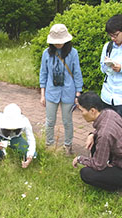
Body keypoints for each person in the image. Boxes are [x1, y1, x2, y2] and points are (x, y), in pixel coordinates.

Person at [72, 91, 122, 196]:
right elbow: (105, 132)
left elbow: (98, 165)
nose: (81, 114)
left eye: (82, 111)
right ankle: (111, 168)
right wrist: (92, 134)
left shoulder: (105, 134)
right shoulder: (109, 113)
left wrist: (79, 159)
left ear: (92, 111)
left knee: (86, 173)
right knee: (95, 141)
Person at [39, 23, 83, 154]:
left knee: (67, 121)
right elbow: (43, 74)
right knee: (50, 121)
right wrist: (42, 94)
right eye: (56, 42)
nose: (58, 44)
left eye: (61, 41)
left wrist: (78, 93)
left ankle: (68, 147)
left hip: (68, 92)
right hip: (51, 92)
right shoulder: (46, 54)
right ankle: (49, 145)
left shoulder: (73, 53)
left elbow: (77, 73)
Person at [0, 103, 36, 169]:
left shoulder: (25, 120)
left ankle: (22, 154)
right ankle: (1, 154)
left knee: (32, 154)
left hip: (16, 139)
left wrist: (30, 156)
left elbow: (31, 139)